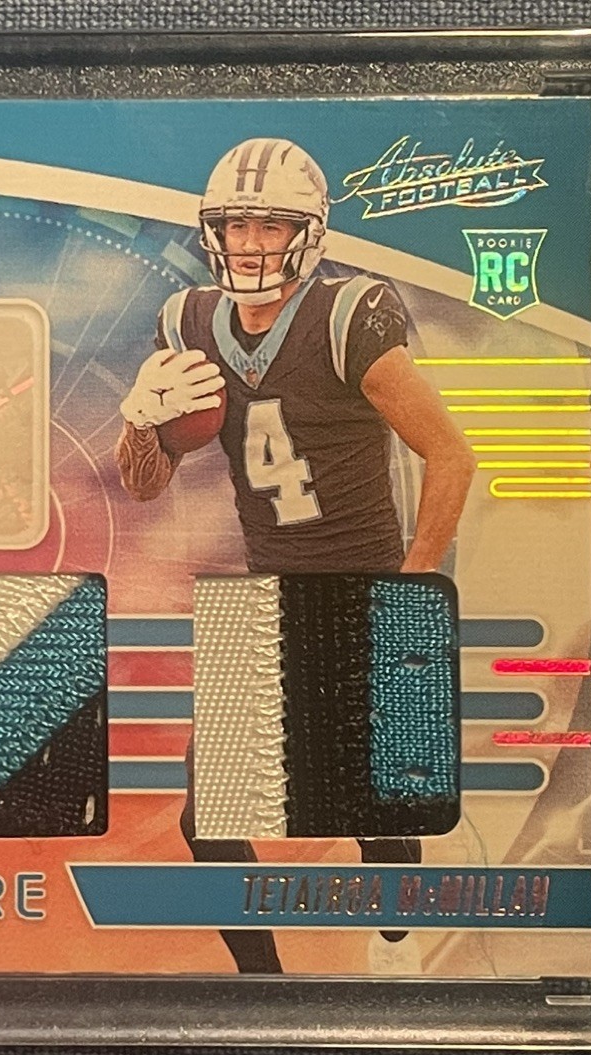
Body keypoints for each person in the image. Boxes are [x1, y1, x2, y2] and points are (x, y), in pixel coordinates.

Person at [116, 137, 476, 974]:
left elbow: (450, 457)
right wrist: (139, 421)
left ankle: (395, 937)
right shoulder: (188, 322)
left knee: (374, 811)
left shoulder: (349, 318)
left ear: (306, 233)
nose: (248, 244)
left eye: (269, 226)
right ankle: (261, 984)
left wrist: (410, 588)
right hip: (266, 589)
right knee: (207, 814)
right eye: (234, 226)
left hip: (360, 586)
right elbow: (142, 486)